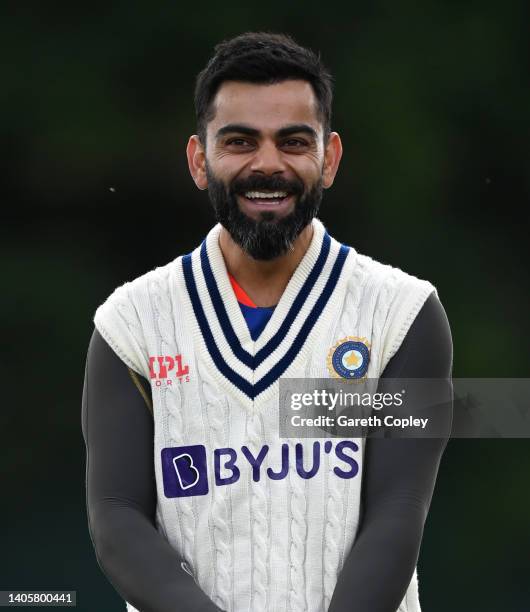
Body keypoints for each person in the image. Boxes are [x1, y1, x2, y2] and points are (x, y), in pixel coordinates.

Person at [82, 32, 453, 612]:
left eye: (293, 141)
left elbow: (397, 511)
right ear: (198, 159)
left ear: (328, 159)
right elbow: (116, 518)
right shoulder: (131, 323)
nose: (268, 164)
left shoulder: (402, 313)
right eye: (239, 141)